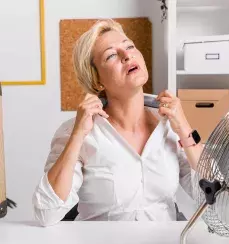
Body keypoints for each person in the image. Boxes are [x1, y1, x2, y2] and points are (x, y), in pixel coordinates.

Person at [32, 19, 204, 226]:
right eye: (111, 55)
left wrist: (184, 127)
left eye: (130, 46)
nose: (127, 55)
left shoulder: (171, 125)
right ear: (96, 80)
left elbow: (214, 196)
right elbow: (46, 213)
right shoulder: (77, 131)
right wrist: (77, 136)